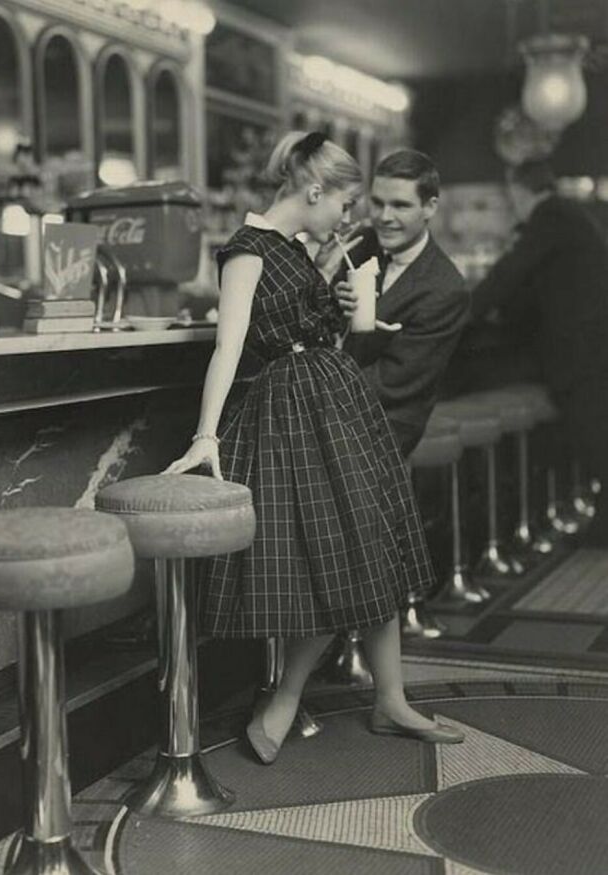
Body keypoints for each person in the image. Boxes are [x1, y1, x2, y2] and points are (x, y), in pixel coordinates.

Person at [164, 131, 463, 764]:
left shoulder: (298, 249)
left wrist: (349, 307)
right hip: (296, 411)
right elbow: (230, 345)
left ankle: (391, 699)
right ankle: (291, 698)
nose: (350, 219)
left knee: (371, 544)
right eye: (346, 204)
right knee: (344, 553)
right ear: (314, 189)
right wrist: (205, 435)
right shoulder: (246, 250)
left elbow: (316, 324)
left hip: (333, 399)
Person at [470, 159, 608, 546]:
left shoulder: (550, 217)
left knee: (594, 435)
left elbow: (507, 275)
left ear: (518, 189)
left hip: (582, 348)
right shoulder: (565, 217)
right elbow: (525, 288)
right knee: (594, 433)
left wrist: (459, 314)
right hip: (587, 344)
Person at [332, 149, 469, 457]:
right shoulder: (362, 243)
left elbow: (391, 383)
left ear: (429, 207)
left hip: (384, 427)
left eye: (400, 205)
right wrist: (330, 296)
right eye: (377, 203)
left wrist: (311, 392)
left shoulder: (445, 288)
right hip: (338, 408)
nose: (384, 217)